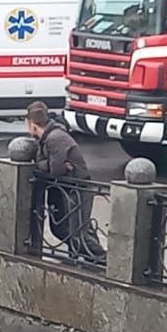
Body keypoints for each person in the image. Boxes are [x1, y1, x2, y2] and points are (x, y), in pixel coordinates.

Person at [26, 101, 106, 265]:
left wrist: (49, 165)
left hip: (77, 189)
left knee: (78, 233)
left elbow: (55, 170)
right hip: (64, 190)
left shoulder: (56, 138)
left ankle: (105, 260)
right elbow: (46, 164)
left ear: (32, 124)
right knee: (62, 228)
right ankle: (83, 257)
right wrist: (47, 164)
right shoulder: (44, 138)